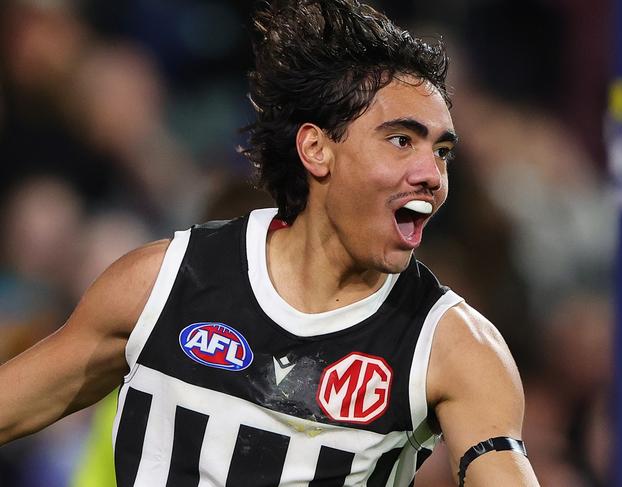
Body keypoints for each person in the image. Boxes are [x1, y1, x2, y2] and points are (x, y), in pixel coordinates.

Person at [0, 1, 540, 485]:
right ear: (316, 148)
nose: (431, 174)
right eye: (401, 140)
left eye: (441, 151)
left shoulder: (454, 347)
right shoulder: (161, 285)